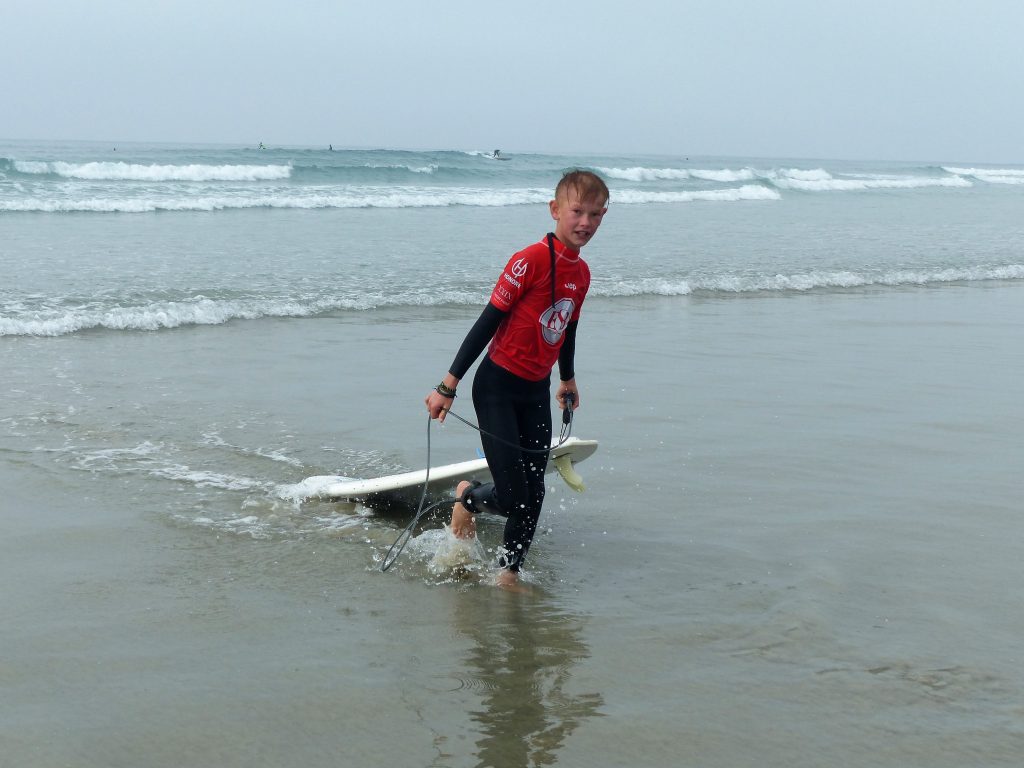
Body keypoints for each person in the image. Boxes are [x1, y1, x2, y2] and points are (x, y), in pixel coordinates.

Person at [424, 169, 609, 588]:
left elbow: (567, 326)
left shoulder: (582, 274)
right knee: (512, 495)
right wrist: (447, 386)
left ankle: (509, 572)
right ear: (555, 210)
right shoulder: (530, 259)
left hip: (535, 390)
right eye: (577, 211)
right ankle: (466, 498)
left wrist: (567, 378)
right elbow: (487, 321)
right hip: (497, 386)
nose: (586, 222)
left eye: (596, 215)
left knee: (535, 492)